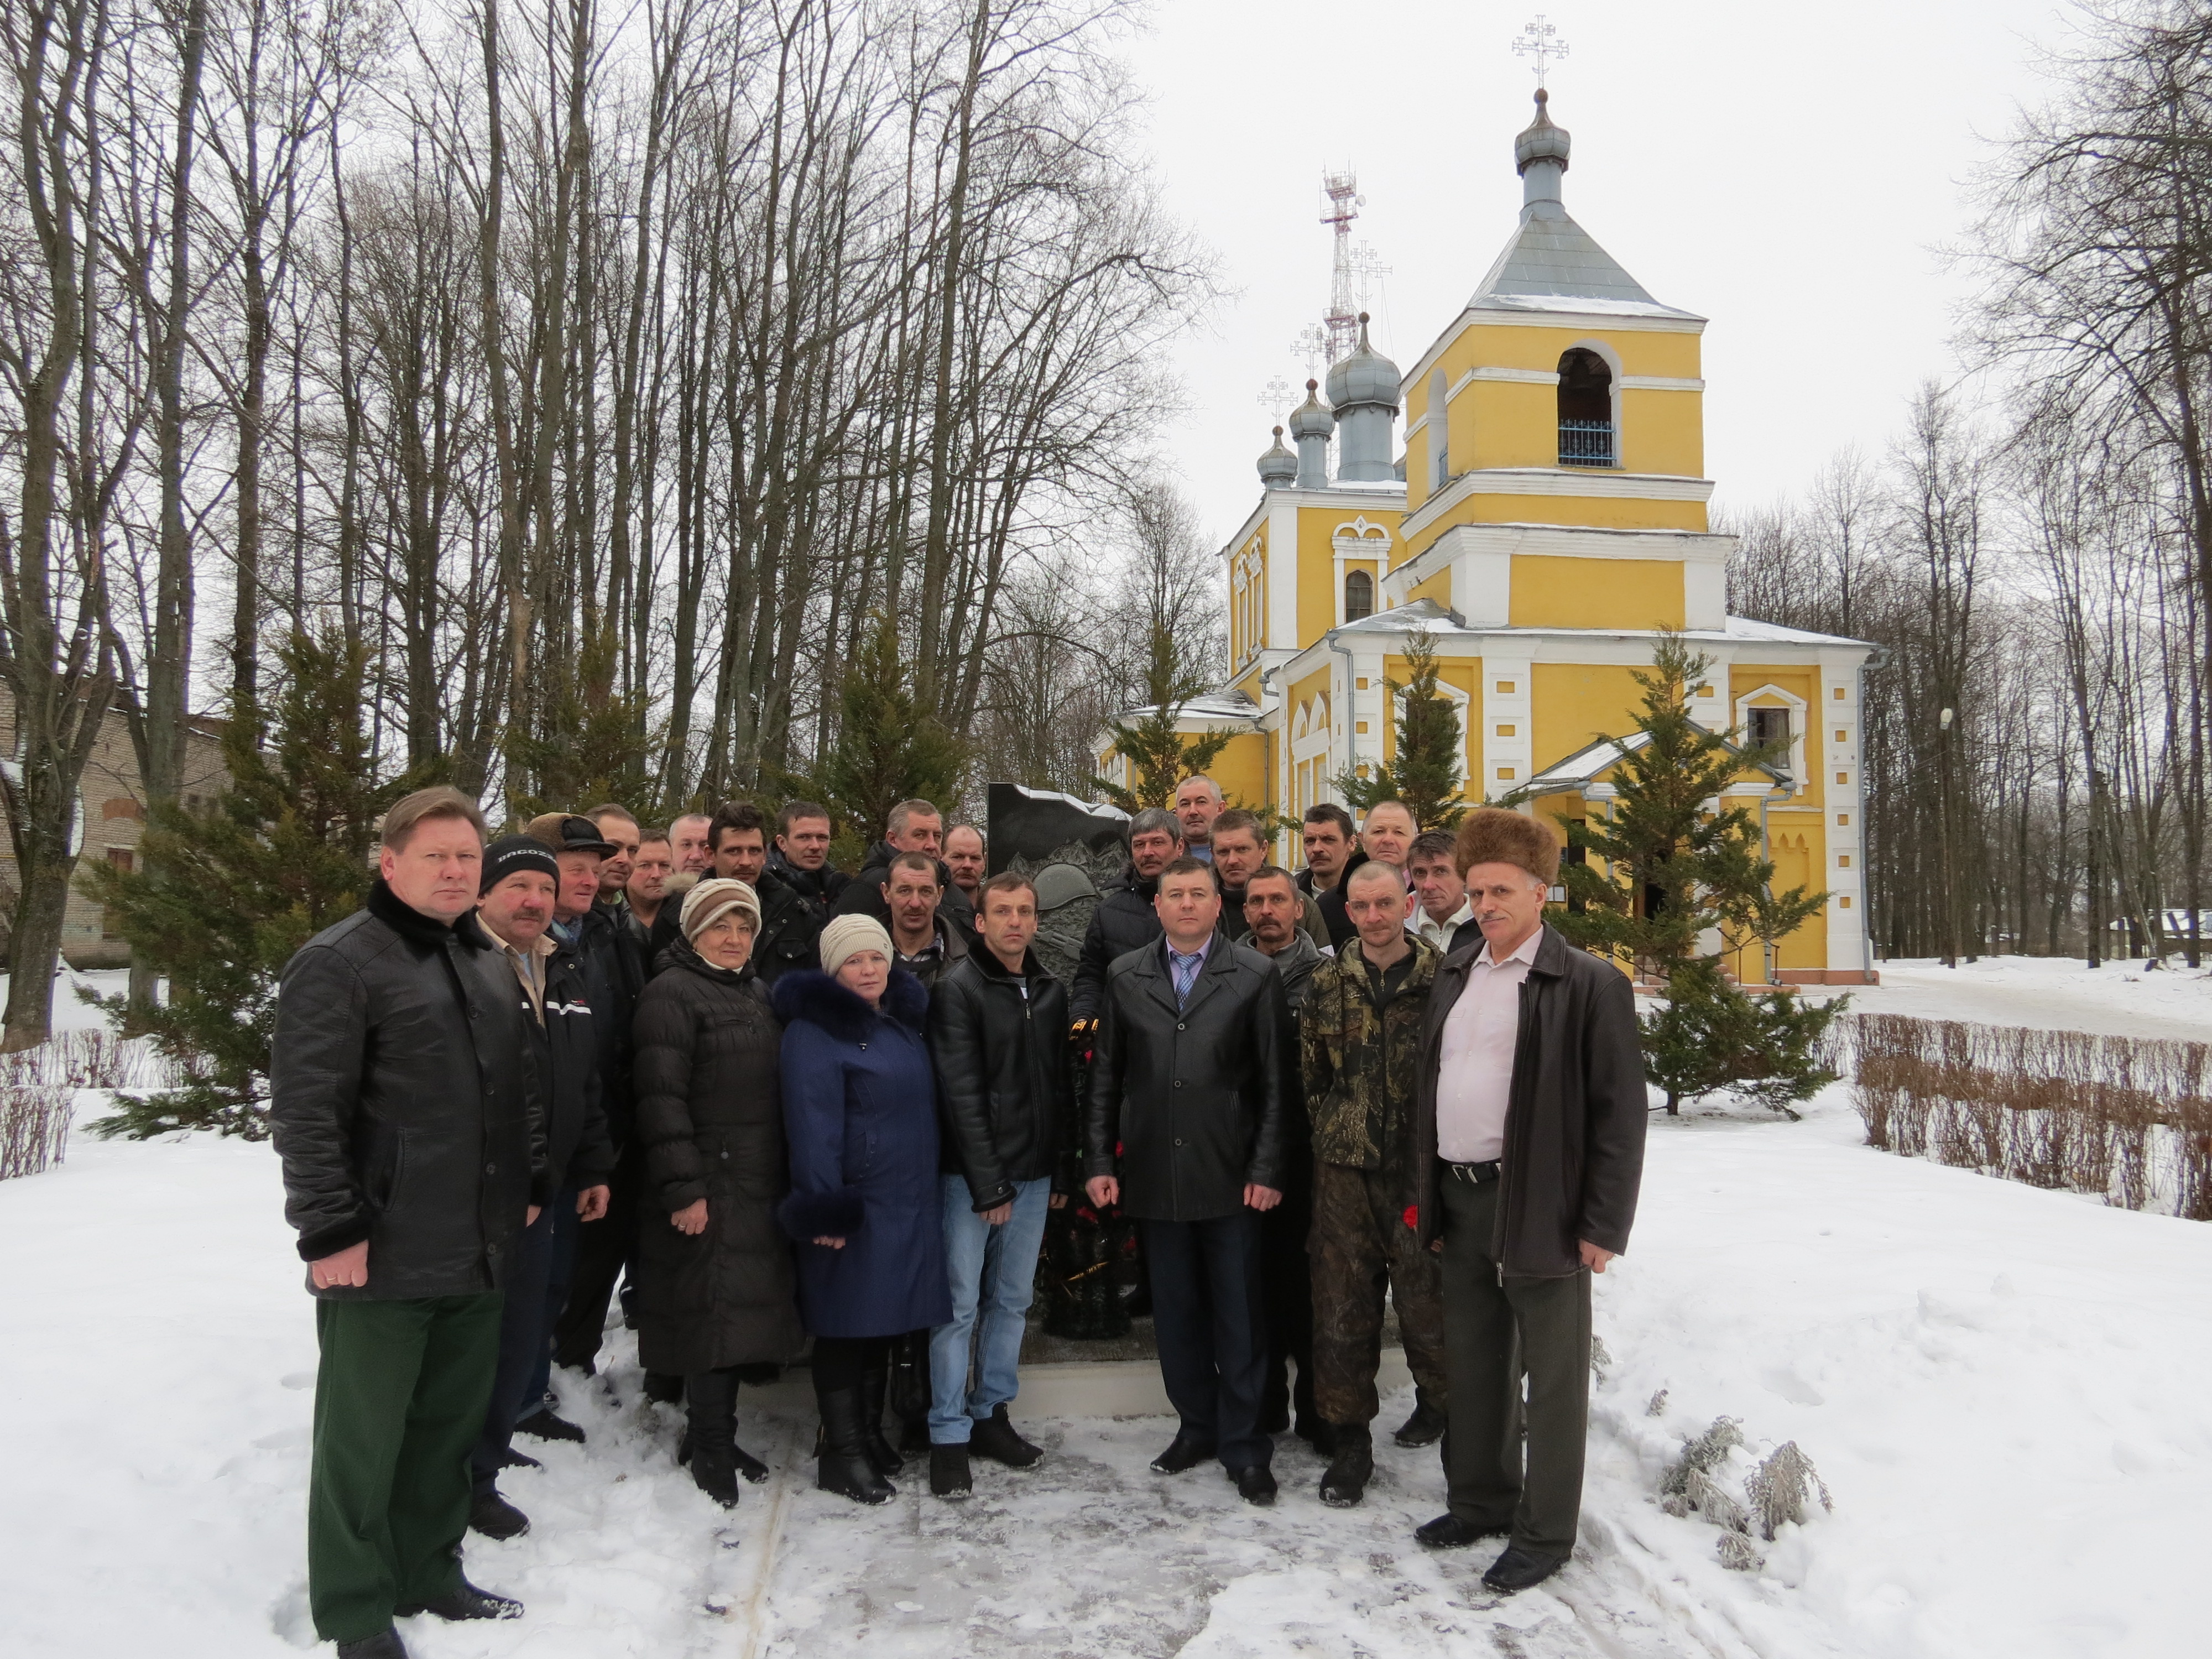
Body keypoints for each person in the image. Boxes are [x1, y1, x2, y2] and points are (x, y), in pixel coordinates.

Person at [270, 787, 545, 1659]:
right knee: (362, 1443)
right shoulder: (341, 963)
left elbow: (514, 1089)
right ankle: (355, 1608)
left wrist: (528, 1182)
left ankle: (429, 1569)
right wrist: (328, 1231)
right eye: (437, 856)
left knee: (443, 1430)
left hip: (476, 1247)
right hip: (381, 1251)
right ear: (390, 864)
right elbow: (308, 1111)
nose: (456, 871)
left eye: (467, 857)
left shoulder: (482, 958)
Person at [1408, 809, 1647, 1594]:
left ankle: (1545, 1534)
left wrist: (1603, 1226)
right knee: (1475, 1363)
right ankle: (1480, 1501)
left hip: (1541, 1203)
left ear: (1543, 893)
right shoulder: (1459, 969)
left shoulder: (1587, 983)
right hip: (1461, 1192)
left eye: (1501, 891)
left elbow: (1618, 1114)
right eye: (1476, 891)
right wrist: (1431, 1199)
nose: (1485, 905)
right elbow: (1432, 1086)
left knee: (1552, 1379)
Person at [1085, 857, 1293, 1506]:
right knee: (1175, 1315)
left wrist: (1265, 1168)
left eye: (1197, 894)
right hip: (1154, 1173)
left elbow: (1276, 1087)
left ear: (1216, 905)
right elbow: (1104, 1081)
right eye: (1173, 894)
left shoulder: (1254, 976)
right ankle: (1195, 1427)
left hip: (1230, 1177)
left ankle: (1244, 1444)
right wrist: (1098, 1161)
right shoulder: (1125, 976)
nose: (1185, 904)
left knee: (1239, 1315)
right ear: (1157, 905)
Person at [629, 878, 806, 1507]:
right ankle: (707, 1446)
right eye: (719, 928)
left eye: (743, 928)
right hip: (708, 1183)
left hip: (753, 1182)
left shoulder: (754, 991)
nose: (733, 940)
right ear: (692, 932)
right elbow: (660, 1099)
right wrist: (684, 1189)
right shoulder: (671, 994)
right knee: (710, 1317)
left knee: (733, 1318)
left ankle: (718, 1436)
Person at [774, 916, 952, 1505]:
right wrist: (825, 1207)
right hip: (857, 1203)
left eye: (877, 958)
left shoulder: (895, 1023)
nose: (869, 969)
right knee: (846, 1330)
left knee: (879, 1325)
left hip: (903, 1200)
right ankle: (841, 1453)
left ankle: (870, 1435)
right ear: (832, 969)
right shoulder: (813, 1032)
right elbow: (812, 1123)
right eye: (855, 961)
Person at [466, 837, 615, 1541]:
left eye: (544, 889)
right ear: (482, 893)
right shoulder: (463, 963)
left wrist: (590, 1167)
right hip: (482, 1194)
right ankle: (461, 1471)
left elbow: (580, 1079)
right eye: (518, 885)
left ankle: (491, 1456)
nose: (534, 900)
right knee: (479, 1338)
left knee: (529, 1319)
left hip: (549, 1185)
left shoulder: (561, 968)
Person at [1300, 861, 1451, 1507]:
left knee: (1433, 1310)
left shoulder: (1446, 979)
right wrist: (1338, 1132)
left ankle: (1455, 1425)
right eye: (1359, 906)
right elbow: (1312, 1078)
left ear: (1407, 902)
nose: (1372, 916)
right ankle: (1349, 1441)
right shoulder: (1326, 982)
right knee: (1341, 1312)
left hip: (1423, 1171)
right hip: (1345, 1176)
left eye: (1385, 903)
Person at [922, 871, 1072, 1499]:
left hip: (1036, 1174)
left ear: (1035, 921)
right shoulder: (957, 990)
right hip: (973, 1179)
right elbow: (960, 1094)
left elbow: (1061, 1086)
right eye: (1001, 912)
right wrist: (989, 1186)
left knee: (1011, 1301)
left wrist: (1060, 1167)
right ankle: (948, 1433)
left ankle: (991, 1414)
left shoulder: (1050, 989)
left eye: (1025, 911)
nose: (1015, 921)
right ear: (978, 922)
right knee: (958, 1308)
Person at [521, 813, 629, 1442]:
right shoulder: (514, 950)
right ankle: (509, 1402)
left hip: (578, 1141)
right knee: (525, 1285)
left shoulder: (593, 940)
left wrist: (594, 1155)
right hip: (527, 1156)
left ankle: (531, 1393)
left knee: (556, 1278)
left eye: (594, 868)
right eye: (574, 868)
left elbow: (590, 1058)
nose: (589, 879)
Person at [554, 824, 673, 1379]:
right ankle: (553, 1366)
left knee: (601, 1252)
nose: (622, 862)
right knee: (569, 1259)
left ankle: (569, 1362)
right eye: (614, 852)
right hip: (573, 1124)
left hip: (618, 1118)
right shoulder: (564, 937)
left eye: (629, 852)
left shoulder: (610, 928)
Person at [1239, 863, 1328, 1447]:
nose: (1267, 910)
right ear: (1243, 911)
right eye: (1256, 902)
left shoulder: (1326, 976)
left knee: (1308, 1285)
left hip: (1308, 1154)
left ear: (1298, 909)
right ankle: (1264, 1401)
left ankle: (1317, 1409)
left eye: (1279, 900)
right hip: (1239, 1152)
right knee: (1251, 1284)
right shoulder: (1223, 971)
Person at [679, 801, 821, 985]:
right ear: (710, 855)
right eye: (734, 851)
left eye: (754, 851)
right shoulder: (681, 915)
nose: (746, 862)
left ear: (765, 855)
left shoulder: (794, 912)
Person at [1068, 807, 1183, 1023]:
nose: (1147, 852)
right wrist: (1083, 1016)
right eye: (1139, 844)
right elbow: (1092, 977)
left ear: (1179, 847)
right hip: (1128, 1037)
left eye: (1157, 842)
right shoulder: (1108, 912)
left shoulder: (1201, 905)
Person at [832, 798, 975, 931]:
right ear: (893, 839)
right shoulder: (866, 890)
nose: (932, 845)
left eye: (937, 836)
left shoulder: (953, 890)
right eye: (920, 835)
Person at [1213, 810, 1328, 948]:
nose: (1232, 860)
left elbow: (1324, 962)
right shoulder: (1200, 904)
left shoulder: (1298, 901)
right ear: (1213, 855)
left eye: (1242, 849)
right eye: (1223, 852)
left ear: (1263, 849)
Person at [1316, 801, 1416, 951]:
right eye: (1378, 832)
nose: (1388, 840)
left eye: (1399, 832)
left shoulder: (1431, 898)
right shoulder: (1328, 905)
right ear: (1362, 840)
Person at [884, 848, 969, 993]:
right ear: (886, 893)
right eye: (905, 890)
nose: (915, 903)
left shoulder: (967, 966)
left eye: (926, 891)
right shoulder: (858, 958)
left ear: (939, 895)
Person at [763, 799, 849, 914]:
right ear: (782, 843)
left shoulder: (841, 886)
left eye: (822, 837)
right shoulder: (763, 888)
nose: (815, 846)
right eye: (804, 837)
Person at [1407, 828, 1478, 955]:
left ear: (1465, 874)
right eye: (1420, 873)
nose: (1428, 885)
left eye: (1440, 871)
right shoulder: (1397, 928)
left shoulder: (1488, 927)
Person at [1296, 804, 1358, 902]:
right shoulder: (1290, 895)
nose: (1316, 849)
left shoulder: (1372, 894)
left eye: (1328, 840)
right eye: (1310, 841)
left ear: (1351, 843)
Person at [588, 805, 640, 907]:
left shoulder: (628, 920)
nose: (625, 859)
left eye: (632, 850)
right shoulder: (560, 917)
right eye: (613, 847)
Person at [1172, 775, 1225, 863]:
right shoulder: (1166, 857)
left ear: (1220, 808)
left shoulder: (1239, 853)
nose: (1193, 811)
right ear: (1176, 812)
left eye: (1201, 802)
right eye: (1185, 804)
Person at [943, 823, 987, 902]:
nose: (967, 865)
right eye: (958, 857)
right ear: (941, 858)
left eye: (975, 858)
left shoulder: (997, 909)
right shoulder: (928, 910)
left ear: (984, 861)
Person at [670, 812, 714, 876]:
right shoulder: (654, 884)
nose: (695, 856)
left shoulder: (731, 885)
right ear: (670, 850)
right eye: (686, 845)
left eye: (704, 846)